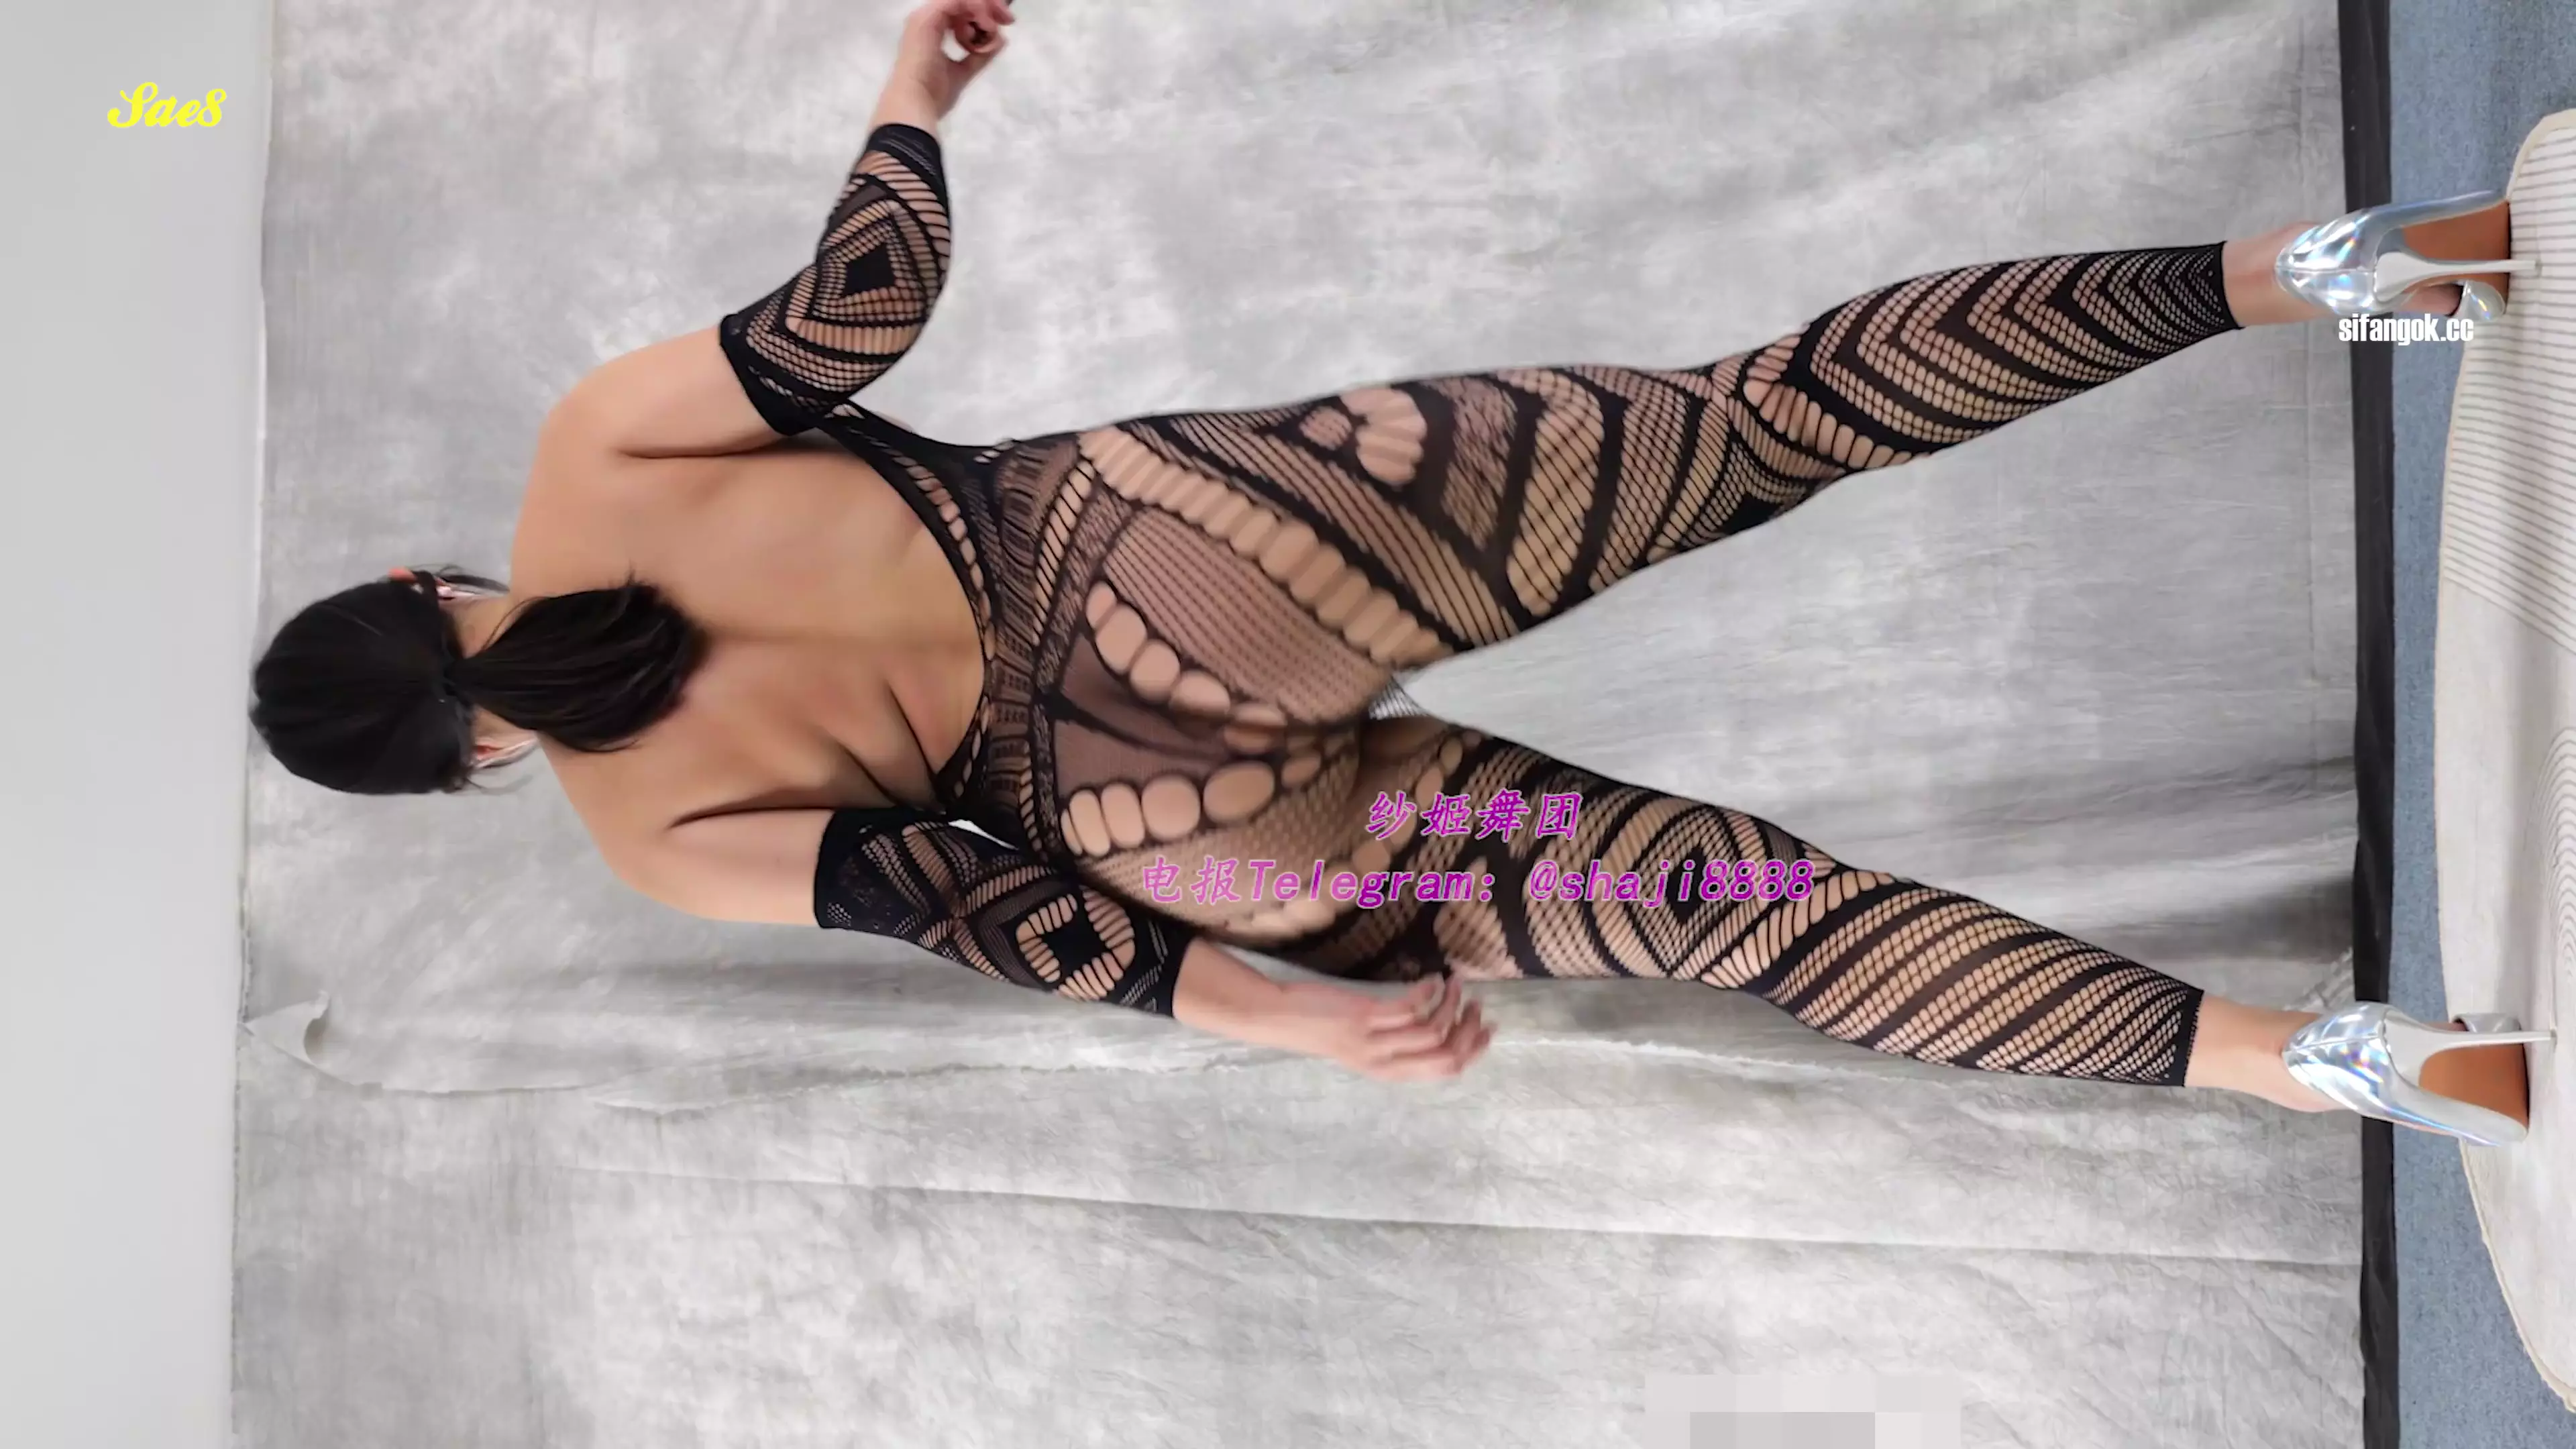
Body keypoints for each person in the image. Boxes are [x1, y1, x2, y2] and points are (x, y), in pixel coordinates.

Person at [250, 0, 2551, 1144]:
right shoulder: (594, 450)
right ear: (415, 582)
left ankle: (2343, 1064)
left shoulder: (652, 837)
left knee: (1762, 919)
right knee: (1772, 417)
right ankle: (2338, 269)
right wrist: (910, 99)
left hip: (1212, 837)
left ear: (461, 770)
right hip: (1205, 552)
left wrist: (1299, 1012)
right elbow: (864, 313)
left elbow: (988, 913)